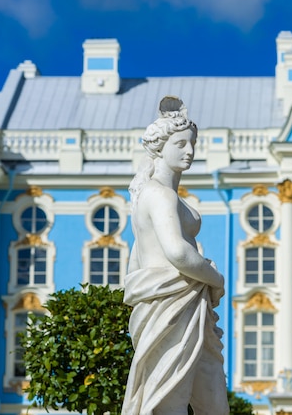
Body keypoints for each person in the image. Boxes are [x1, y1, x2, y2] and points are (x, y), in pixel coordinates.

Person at [123, 96, 229, 415]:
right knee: (168, 400)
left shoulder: (161, 195)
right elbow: (178, 253)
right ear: (160, 147)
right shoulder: (159, 194)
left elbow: (134, 259)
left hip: (188, 301)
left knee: (214, 400)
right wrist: (216, 278)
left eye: (192, 143)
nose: (190, 151)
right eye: (181, 143)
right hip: (170, 302)